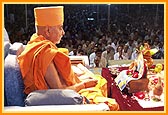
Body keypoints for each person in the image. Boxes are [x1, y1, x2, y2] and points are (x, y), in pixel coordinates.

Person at [17, 6, 119, 111]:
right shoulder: (44, 53)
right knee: (111, 103)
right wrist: (83, 85)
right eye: (60, 28)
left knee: (99, 79)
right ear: (47, 30)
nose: (63, 32)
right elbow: (61, 93)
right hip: (60, 99)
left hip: (65, 89)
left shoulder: (36, 43)